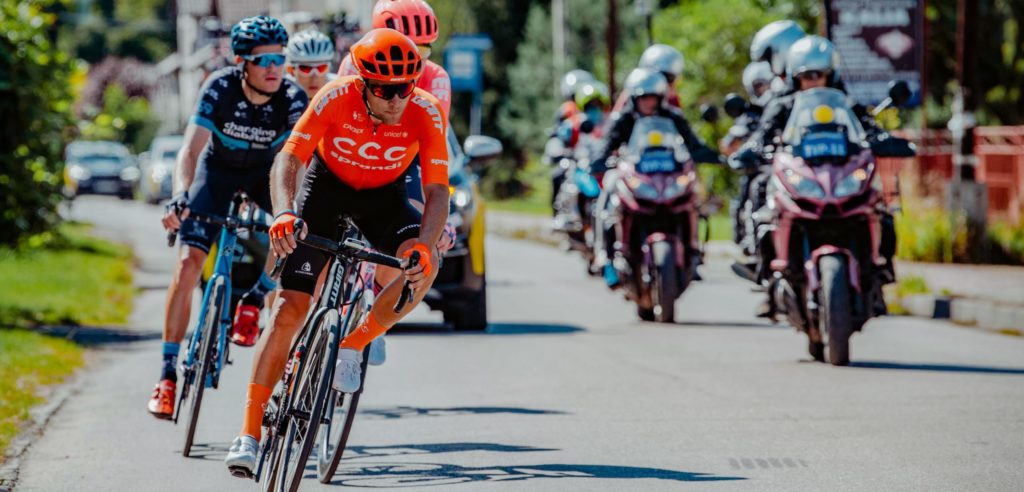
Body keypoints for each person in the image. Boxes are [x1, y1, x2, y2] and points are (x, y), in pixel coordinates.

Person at [224, 28, 449, 475]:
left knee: (424, 267)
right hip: (326, 191)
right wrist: (284, 213)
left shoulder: (426, 111)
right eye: (385, 90)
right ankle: (248, 433)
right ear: (363, 83)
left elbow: (437, 191)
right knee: (289, 309)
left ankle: (354, 342)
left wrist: (423, 246)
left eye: (405, 87)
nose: (396, 99)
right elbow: (288, 159)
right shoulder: (333, 97)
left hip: (384, 199)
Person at [148, 16, 307, 419]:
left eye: (280, 58)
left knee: (290, 232)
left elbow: (295, 165)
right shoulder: (218, 87)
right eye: (263, 59)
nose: (274, 68)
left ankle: (255, 298)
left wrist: (290, 211)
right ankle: (167, 375)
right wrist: (180, 195)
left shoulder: (291, 97)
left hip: (263, 175)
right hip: (216, 172)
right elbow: (190, 150)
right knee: (187, 265)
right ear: (242, 63)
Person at [592, 68, 718, 287]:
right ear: (634, 98)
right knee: (609, 192)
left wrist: (710, 155)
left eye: (653, 98)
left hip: (666, 176)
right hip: (634, 173)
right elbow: (607, 144)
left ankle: (693, 251)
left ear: (661, 98)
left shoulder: (672, 117)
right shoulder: (624, 119)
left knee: (692, 198)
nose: (648, 103)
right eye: (644, 98)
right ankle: (606, 256)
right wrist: (599, 160)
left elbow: (692, 143)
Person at [338, 0, 451, 118]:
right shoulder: (354, 65)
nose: (413, 60)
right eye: (399, 52)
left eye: (421, 50)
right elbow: (342, 122)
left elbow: (434, 132)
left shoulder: (436, 77)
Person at [611, 44, 685, 112]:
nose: (666, 83)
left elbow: (680, 122)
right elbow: (616, 120)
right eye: (665, 77)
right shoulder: (632, 95)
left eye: (671, 78)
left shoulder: (672, 99)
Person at [286, 28, 338, 99]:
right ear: (291, 71)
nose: (314, 77)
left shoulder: (340, 88)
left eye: (321, 68)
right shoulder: (280, 94)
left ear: (328, 69)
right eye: (305, 69)